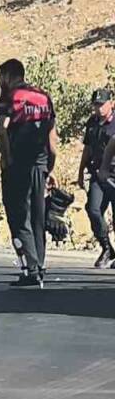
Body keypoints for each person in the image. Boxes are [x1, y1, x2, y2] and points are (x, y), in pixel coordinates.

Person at [0, 59, 58, 288]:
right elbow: (52, 139)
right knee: (37, 217)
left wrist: (6, 157)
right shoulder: (43, 97)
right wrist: (50, 167)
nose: (0, 81)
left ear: (10, 76)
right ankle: (39, 264)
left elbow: (1, 131)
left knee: (19, 217)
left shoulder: (10, 97)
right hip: (40, 165)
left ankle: (30, 269)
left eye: (2, 77)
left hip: (18, 166)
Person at [78, 89, 115, 267]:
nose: (98, 108)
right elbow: (87, 149)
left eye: (102, 104)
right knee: (93, 210)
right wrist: (80, 173)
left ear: (111, 103)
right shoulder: (92, 123)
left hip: (114, 175)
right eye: (96, 105)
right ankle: (107, 248)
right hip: (98, 174)